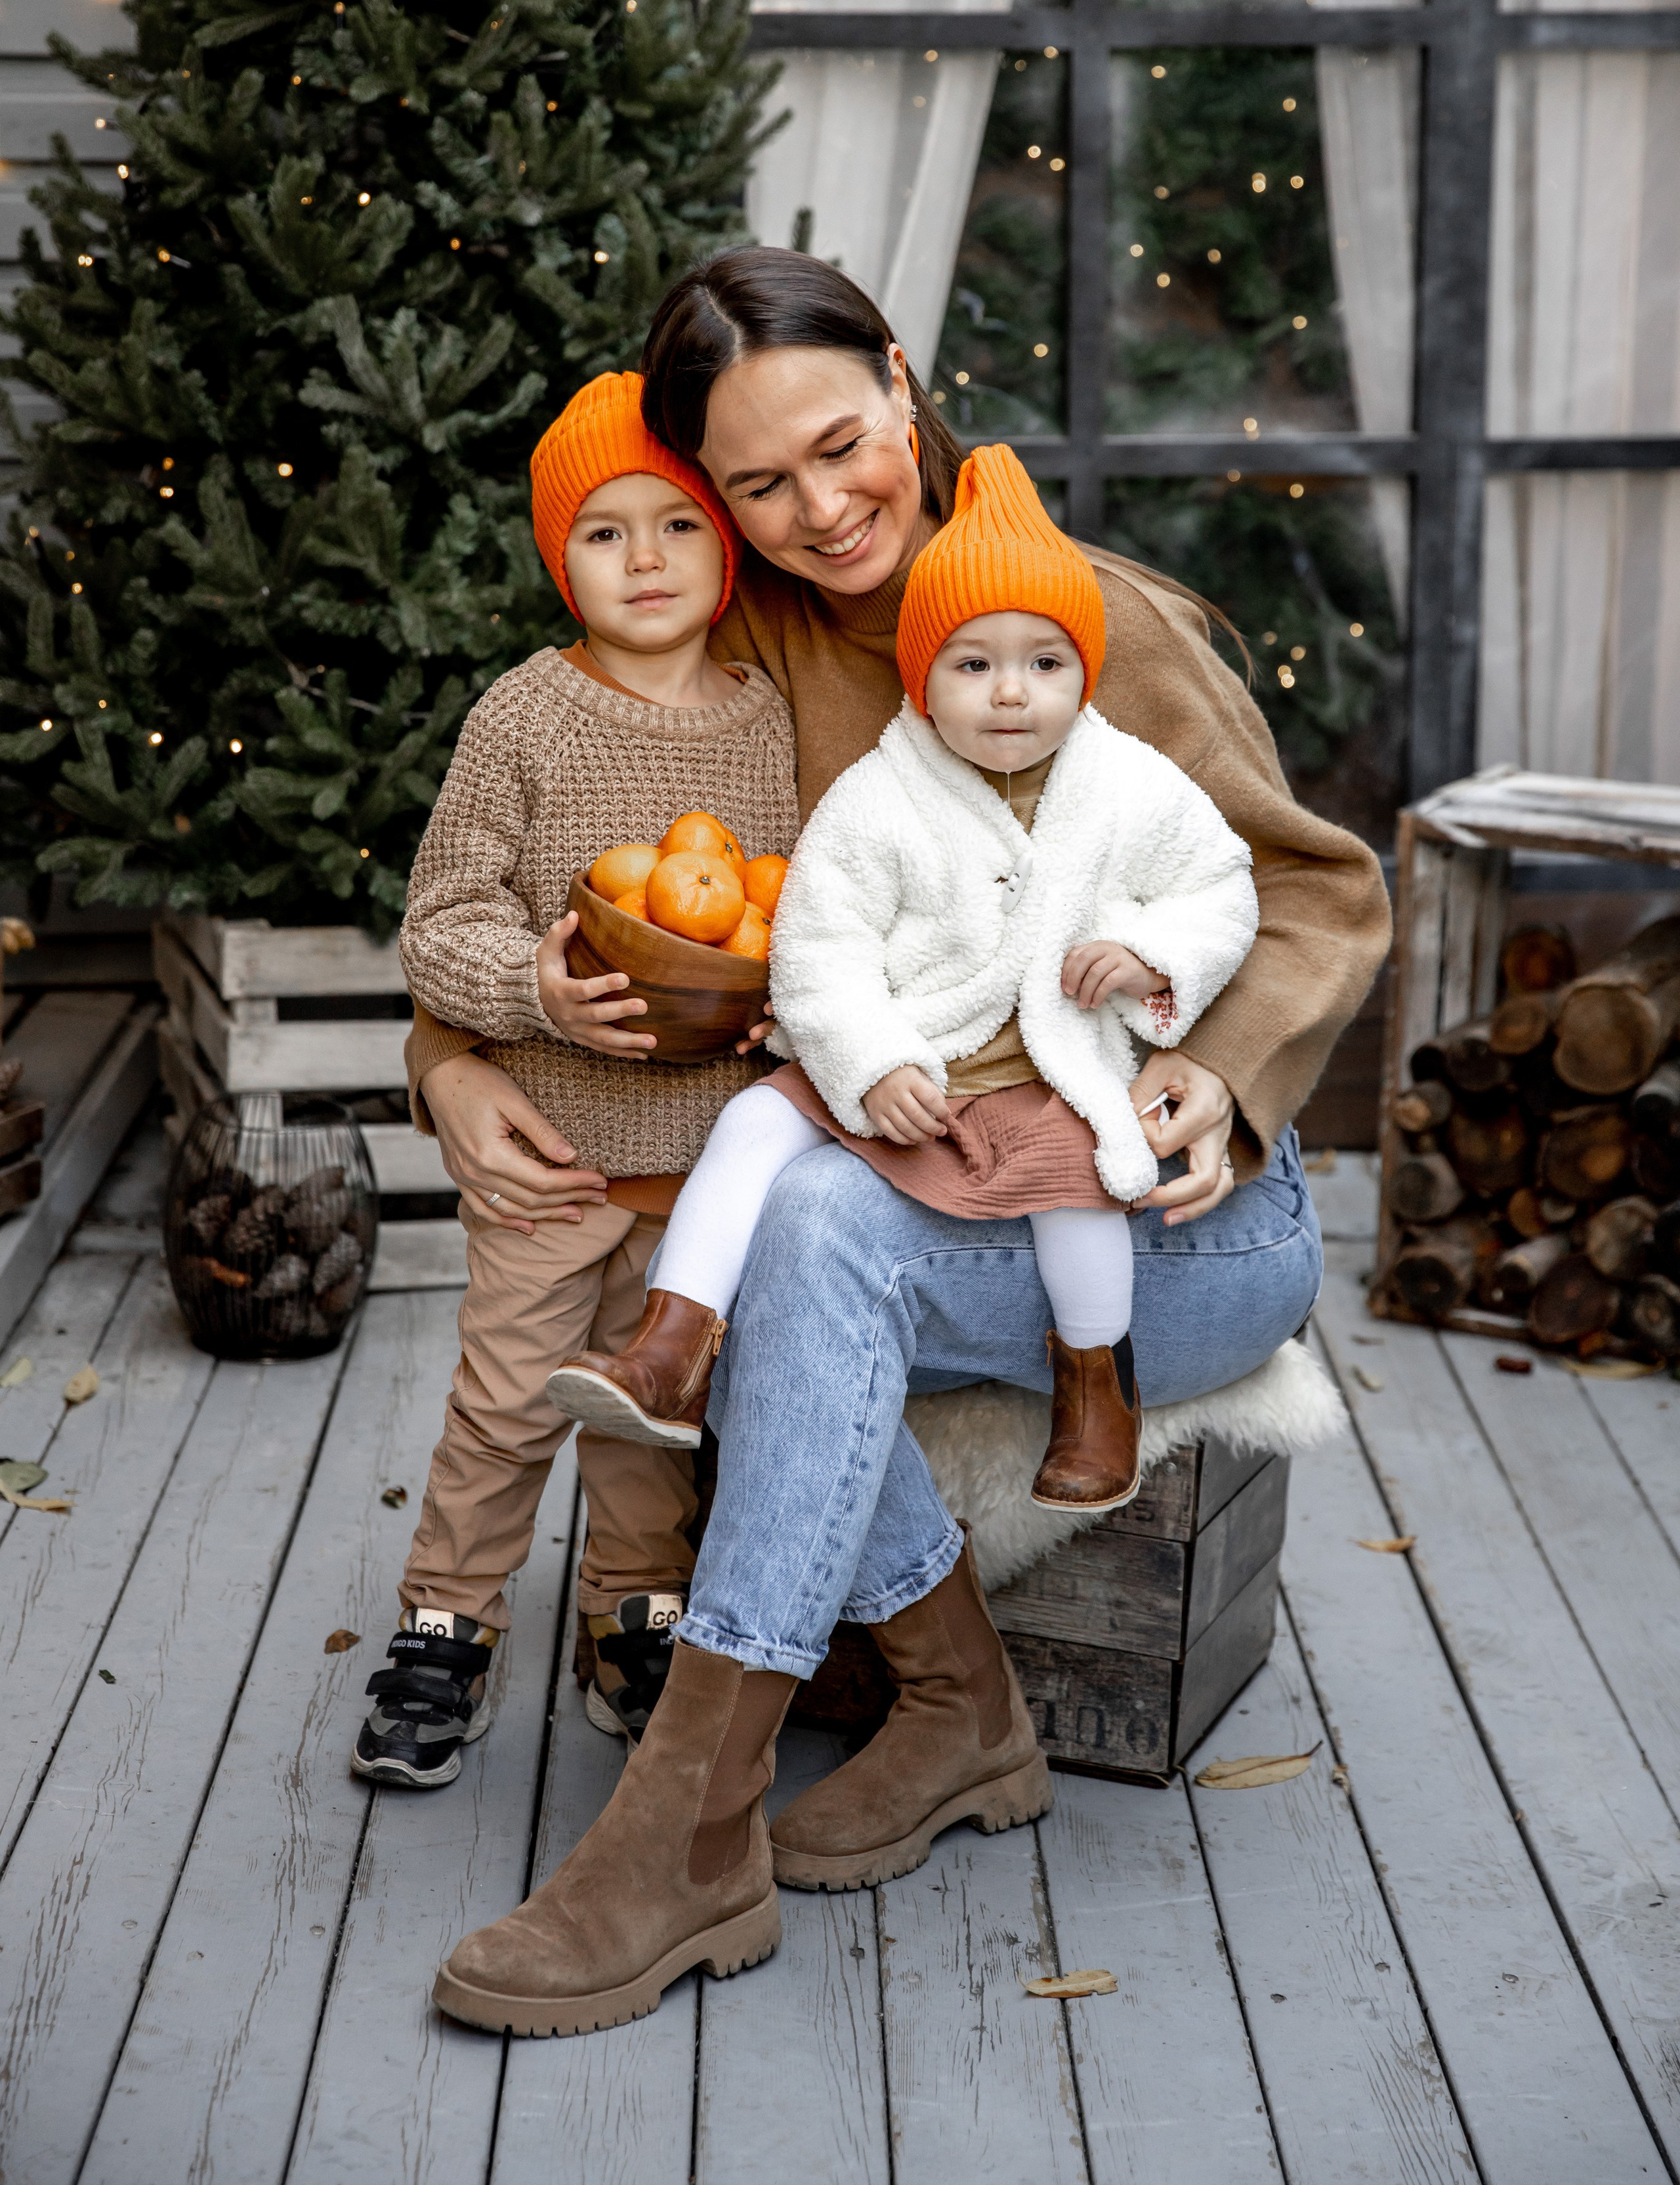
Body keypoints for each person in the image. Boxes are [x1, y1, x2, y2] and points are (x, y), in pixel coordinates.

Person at [419, 249, 1390, 2041]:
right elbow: (616, 888)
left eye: (839, 445)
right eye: (757, 486)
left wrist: (1217, 1074)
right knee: (786, 1228)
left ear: (900, 379)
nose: (817, 510)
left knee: (800, 1247)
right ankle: (953, 1712)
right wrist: (448, 1053)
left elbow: (1317, 887)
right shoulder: (756, 649)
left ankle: (697, 1827)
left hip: (1167, 1223)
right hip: (928, 1182)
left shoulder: (1084, 626)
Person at [547, 442, 1257, 1516]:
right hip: (909, 1049)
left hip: (1046, 1069)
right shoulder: (881, 794)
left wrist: (1155, 954)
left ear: (1085, 673)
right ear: (921, 679)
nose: (1010, 693)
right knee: (752, 1126)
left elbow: (1222, 887)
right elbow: (818, 946)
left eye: (1045, 663)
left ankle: (1096, 1389)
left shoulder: (1130, 785)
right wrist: (871, 1060)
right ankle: (669, 1350)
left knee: (1078, 1201)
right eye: (972, 665)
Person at [351, 371, 797, 1789]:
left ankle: (632, 1614)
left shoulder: (774, 721)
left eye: (677, 523)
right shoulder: (525, 718)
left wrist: (785, 1008)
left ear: (728, 543)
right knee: (505, 1404)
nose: (645, 559)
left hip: (706, 1169)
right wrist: (530, 991)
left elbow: (810, 910)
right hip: (550, 1156)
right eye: (605, 533)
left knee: (653, 1418)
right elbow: (443, 917)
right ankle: (448, 1623)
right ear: (562, 561)